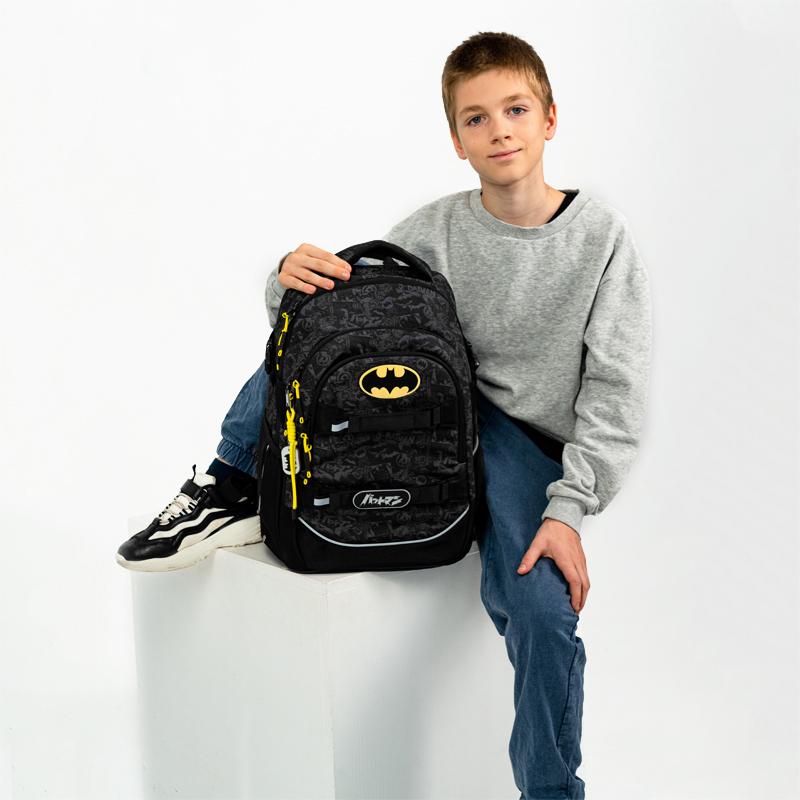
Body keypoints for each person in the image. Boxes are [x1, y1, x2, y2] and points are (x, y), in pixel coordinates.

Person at [117, 31, 652, 799]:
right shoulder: (432, 230)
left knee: (542, 610)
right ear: (456, 140)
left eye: (515, 109)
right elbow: (339, 315)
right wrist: (283, 281)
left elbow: (616, 392)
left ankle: (550, 791)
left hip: (526, 445)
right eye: (475, 118)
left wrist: (569, 508)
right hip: (435, 412)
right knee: (328, 332)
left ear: (549, 119)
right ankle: (229, 483)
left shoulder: (600, 240)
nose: (499, 130)